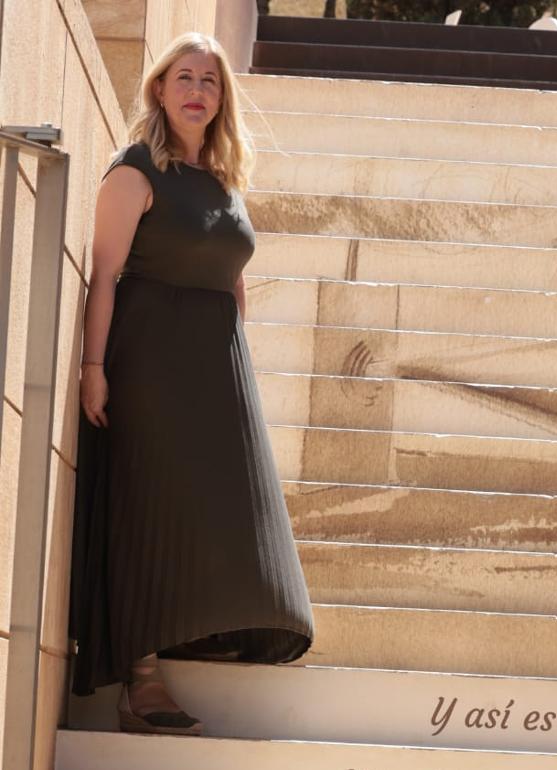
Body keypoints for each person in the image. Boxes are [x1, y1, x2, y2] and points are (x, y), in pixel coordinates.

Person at [70, 32, 314, 735]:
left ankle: (204, 625)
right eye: (184, 77)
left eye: (210, 80)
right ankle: (142, 682)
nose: (197, 91)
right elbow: (104, 276)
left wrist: (237, 367)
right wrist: (94, 368)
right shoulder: (135, 169)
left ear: (221, 97)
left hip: (214, 369)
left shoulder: (226, 177)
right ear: (159, 88)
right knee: (149, 504)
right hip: (146, 361)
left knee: (218, 506)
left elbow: (234, 281)